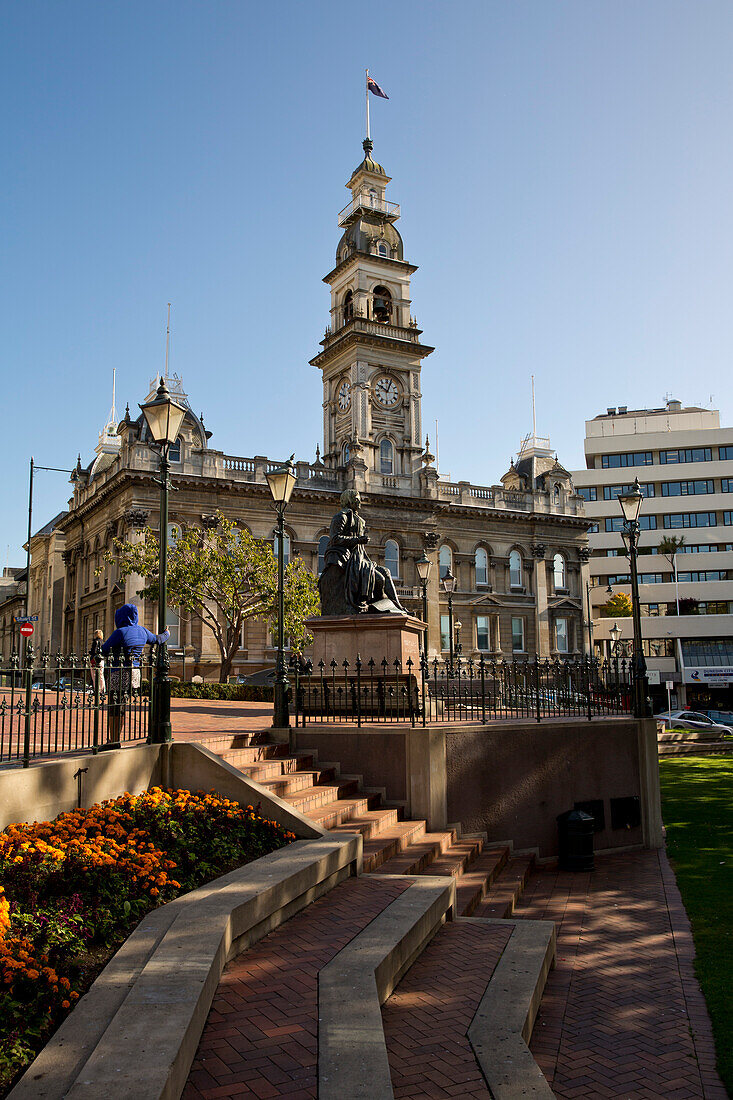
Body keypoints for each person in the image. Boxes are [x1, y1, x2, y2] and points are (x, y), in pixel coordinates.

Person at [101, 604, 170, 747]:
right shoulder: (142, 631)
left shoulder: (120, 632)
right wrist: (167, 634)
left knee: (114, 706)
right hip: (135, 673)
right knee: (122, 705)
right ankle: (116, 739)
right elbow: (158, 639)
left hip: (118, 672)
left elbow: (104, 649)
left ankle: (114, 740)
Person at [88, 628, 105, 695]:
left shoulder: (95, 642)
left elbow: (93, 651)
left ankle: (97, 690)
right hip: (102, 660)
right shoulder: (102, 642)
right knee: (101, 675)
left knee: (94, 675)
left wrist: (90, 652)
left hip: (95, 660)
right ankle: (102, 689)